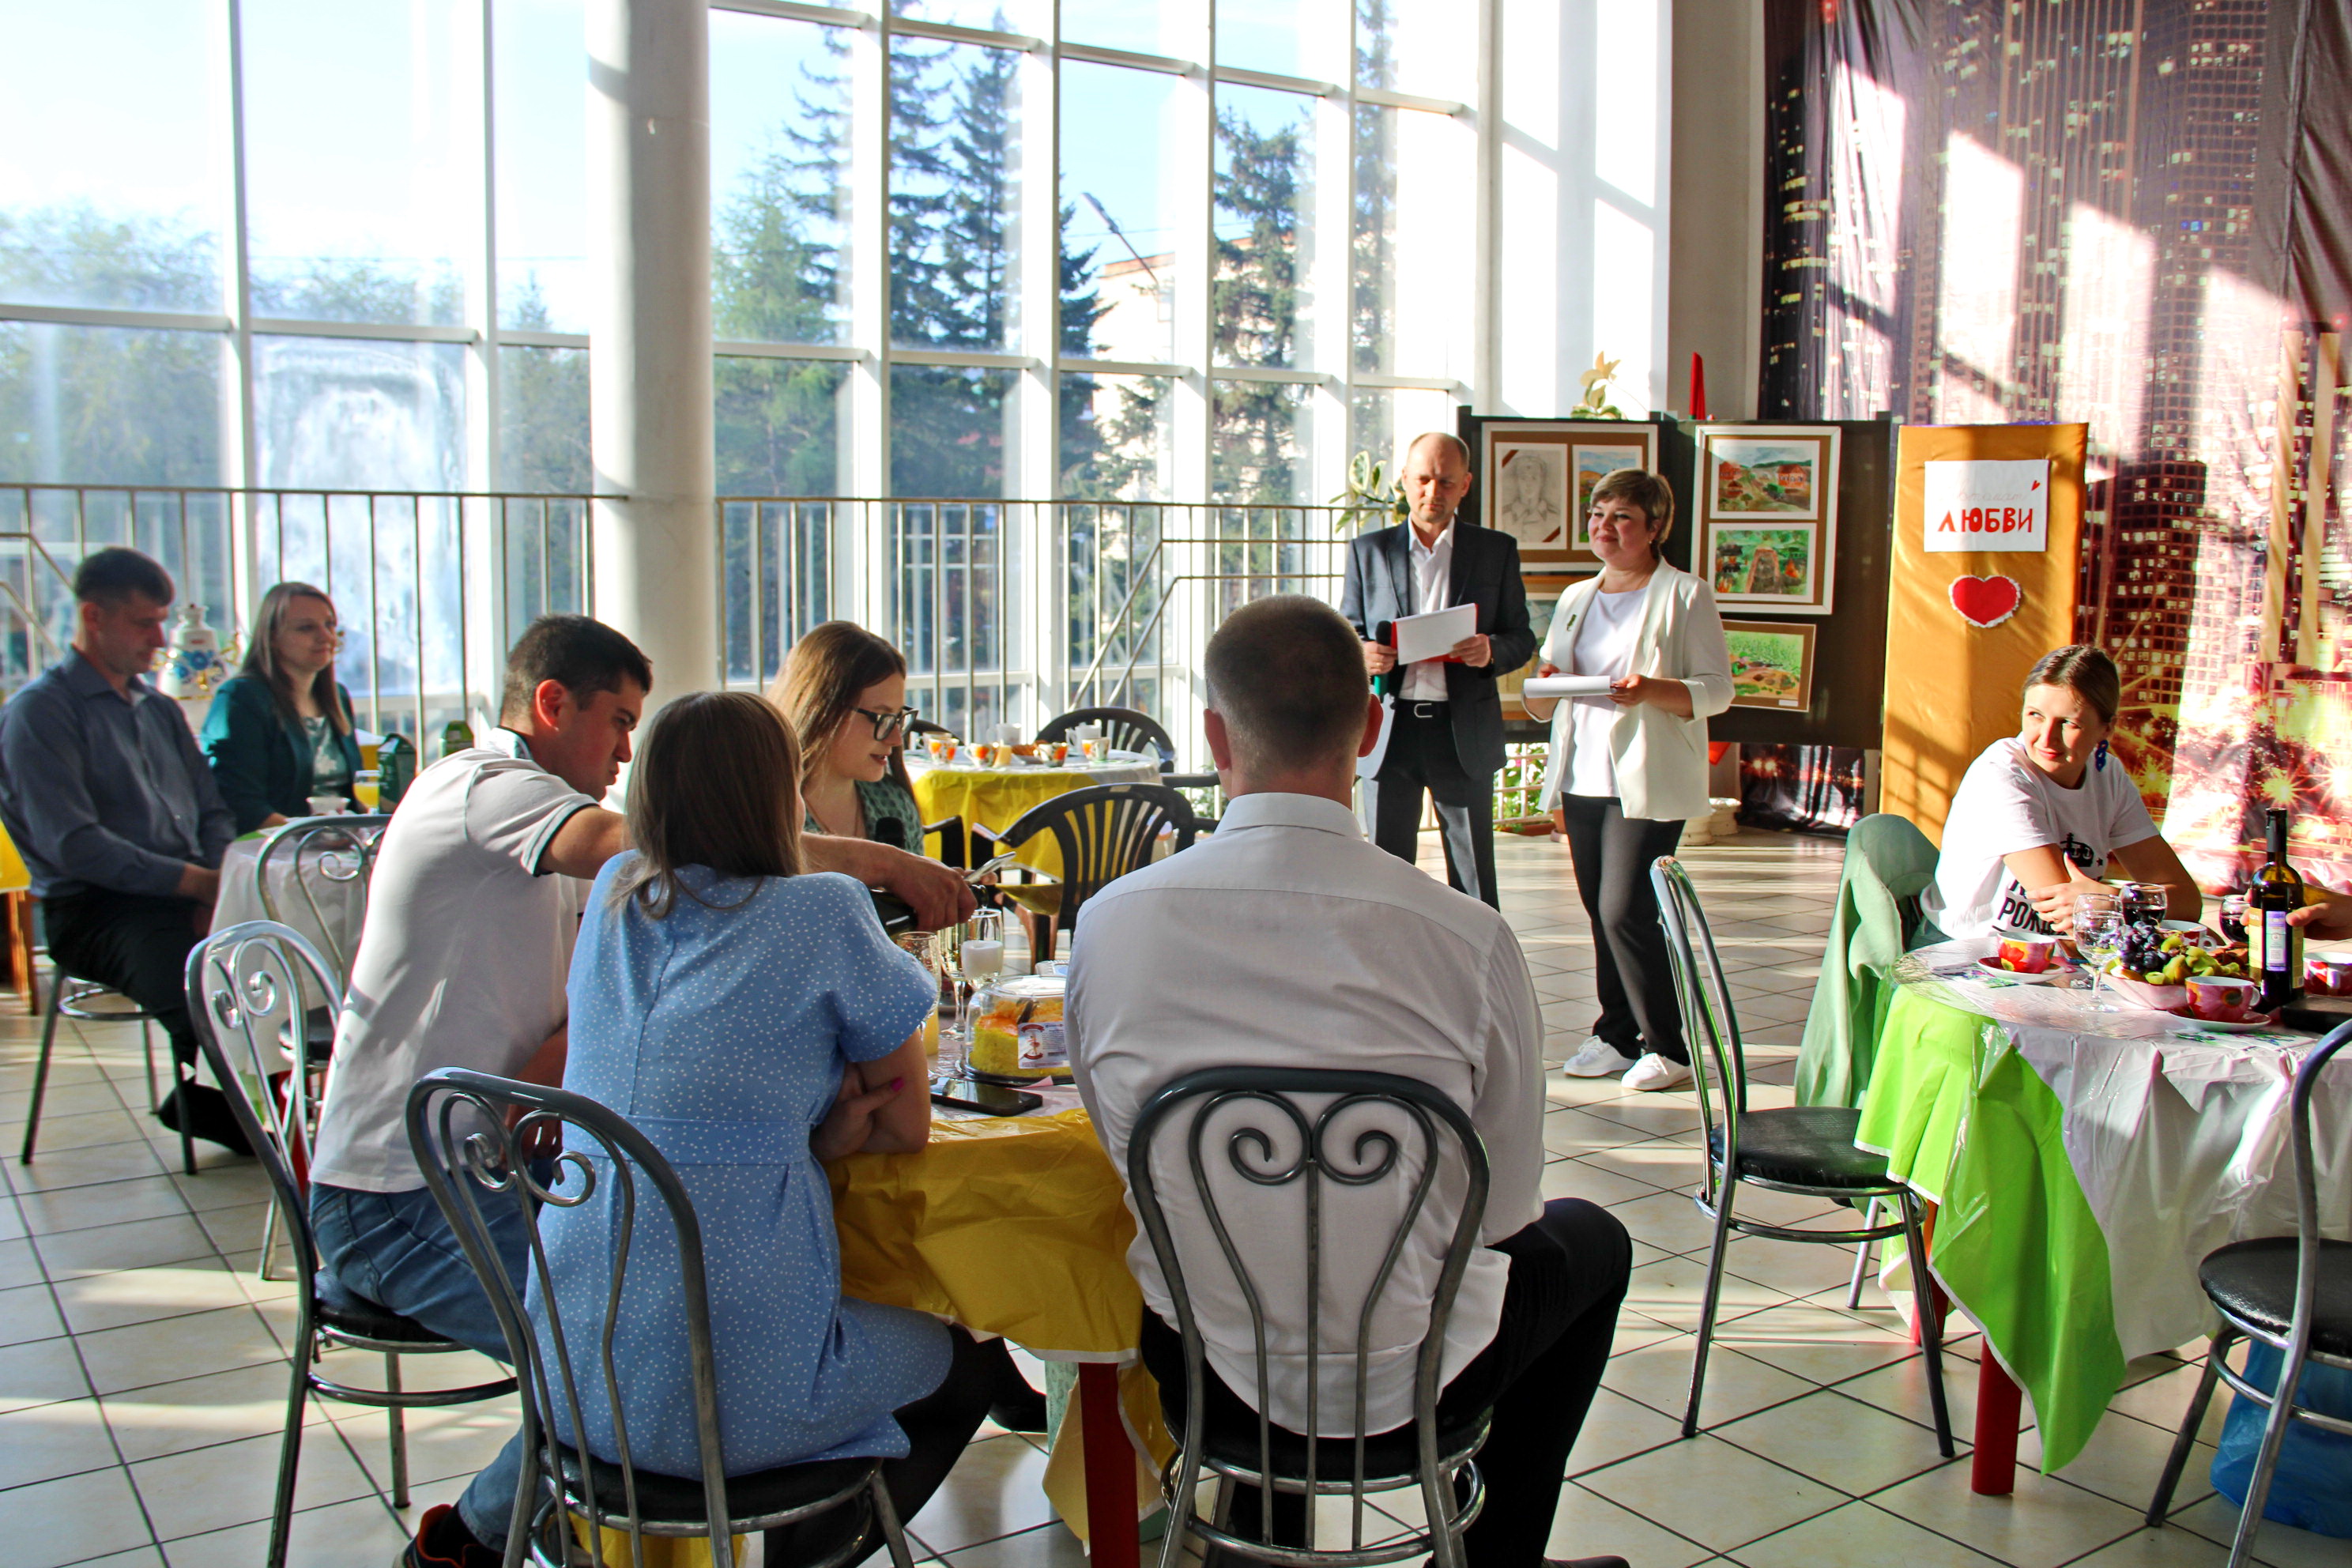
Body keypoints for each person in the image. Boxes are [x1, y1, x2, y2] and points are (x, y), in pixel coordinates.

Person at [306, 615, 974, 1568]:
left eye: (638, 736)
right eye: (616, 720)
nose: (624, 751)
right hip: (406, 1191)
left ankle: (574, 1530)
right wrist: (874, 861)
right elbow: (640, 842)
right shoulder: (485, 786)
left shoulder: (628, 900)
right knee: (631, 1358)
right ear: (550, 704)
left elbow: (651, 940)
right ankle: (478, 1544)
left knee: (617, 1330)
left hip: (507, 1151)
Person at [1069, 595, 1632, 1568]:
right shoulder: (1467, 936)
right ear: (1373, 727)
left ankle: (1259, 1535)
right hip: (1415, 1383)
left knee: (1213, 1243)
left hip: (1209, 1373)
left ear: (1215, 735)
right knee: (1594, 1242)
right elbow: (1502, 1214)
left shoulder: (1112, 922)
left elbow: (1121, 1139)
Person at [545, 690, 993, 1566]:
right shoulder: (822, 910)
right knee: (963, 1360)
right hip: (722, 1399)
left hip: (572, 1372)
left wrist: (800, 1136)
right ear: (777, 794)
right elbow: (905, 1125)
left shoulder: (612, 899)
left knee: (794, 1325)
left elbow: (678, 1103)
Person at [0, 546, 245, 1151]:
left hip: (189, 887)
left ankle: (252, 1103)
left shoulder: (157, 708)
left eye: (162, 620)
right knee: (201, 989)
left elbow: (212, 809)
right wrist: (195, 884)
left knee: (282, 958)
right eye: (144, 622)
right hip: (96, 909)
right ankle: (236, 1116)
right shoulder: (40, 714)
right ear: (93, 617)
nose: (159, 637)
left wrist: (219, 878)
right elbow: (75, 845)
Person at [1524, 469, 1732, 1094]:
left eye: (1621, 518)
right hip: (1585, 771)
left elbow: (1717, 690)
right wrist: (1547, 677)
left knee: (1626, 911)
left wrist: (1651, 692)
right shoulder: (1576, 598)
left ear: (1655, 528)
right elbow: (1547, 693)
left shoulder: (1684, 595)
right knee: (1600, 911)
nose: (1604, 528)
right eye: (1597, 513)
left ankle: (1669, 1047)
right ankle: (1616, 1034)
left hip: (1648, 776)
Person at [1341, 431, 1537, 908]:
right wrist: (1361, 653)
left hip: (1462, 730)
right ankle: (1390, 971)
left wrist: (1490, 651)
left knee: (1473, 877)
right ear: (1404, 481)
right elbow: (1345, 631)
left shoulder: (1496, 551)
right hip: (1390, 730)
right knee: (1387, 872)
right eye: (1424, 480)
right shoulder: (1368, 550)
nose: (1434, 492)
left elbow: (1522, 638)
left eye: (1446, 482)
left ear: (1466, 484)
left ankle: (1477, 974)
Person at [1924, 644, 2199, 938]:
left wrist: (2114, 902)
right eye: (2035, 715)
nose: (2046, 738)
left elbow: (2187, 900)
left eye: (2068, 723)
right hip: (1963, 950)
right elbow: (2059, 907)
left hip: (2057, 953)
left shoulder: (2109, 776)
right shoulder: (2000, 774)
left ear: (2107, 729)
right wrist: (2121, 904)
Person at [199, 581, 362, 832]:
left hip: (338, 843)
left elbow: (353, 794)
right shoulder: (242, 698)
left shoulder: (337, 698)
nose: (326, 637)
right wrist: (309, 834)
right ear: (272, 637)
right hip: (274, 848)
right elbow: (240, 802)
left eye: (330, 625)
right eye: (306, 628)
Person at [770, 620, 925, 853]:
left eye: (897, 719)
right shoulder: (764, 810)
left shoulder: (892, 803)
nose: (895, 739)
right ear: (822, 710)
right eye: (880, 718)